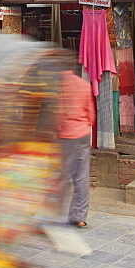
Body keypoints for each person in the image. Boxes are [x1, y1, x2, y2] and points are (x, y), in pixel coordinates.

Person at [58, 62, 95, 228]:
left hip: (67, 134)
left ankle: (51, 214)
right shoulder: (82, 84)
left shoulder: (59, 86)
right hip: (83, 133)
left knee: (61, 176)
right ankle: (79, 217)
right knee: (81, 176)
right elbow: (91, 113)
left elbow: (57, 114)